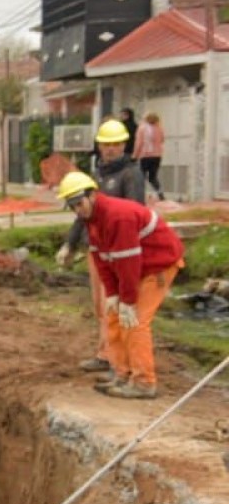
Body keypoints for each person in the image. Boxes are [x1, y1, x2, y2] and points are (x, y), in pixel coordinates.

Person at [56, 170, 185, 400]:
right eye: (72, 206)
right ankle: (122, 373)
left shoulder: (118, 217)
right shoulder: (92, 219)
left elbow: (128, 263)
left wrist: (128, 300)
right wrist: (113, 295)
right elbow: (102, 259)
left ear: (92, 195)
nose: (77, 210)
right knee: (113, 317)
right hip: (136, 266)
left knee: (135, 322)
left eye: (79, 203)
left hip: (158, 265)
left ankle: (143, 383)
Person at [57, 118, 147, 378]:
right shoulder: (97, 175)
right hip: (97, 248)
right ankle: (105, 353)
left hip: (118, 249)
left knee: (117, 305)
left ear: (124, 145)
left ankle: (119, 360)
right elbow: (82, 214)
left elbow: (134, 213)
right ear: (99, 146)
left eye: (116, 144)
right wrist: (70, 243)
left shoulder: (130, 174)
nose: (111, 149)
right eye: (106, 144)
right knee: (102, 305)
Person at [134, 112, 166, 201]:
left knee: (141, 177)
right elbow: (162, 140)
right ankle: (160, 194)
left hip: (145, 155)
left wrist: (135, 155)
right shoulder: (160, 128)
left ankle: (139, 196)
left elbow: (139, 143)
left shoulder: (142, 128)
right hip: (157, 155)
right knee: (153, 177)